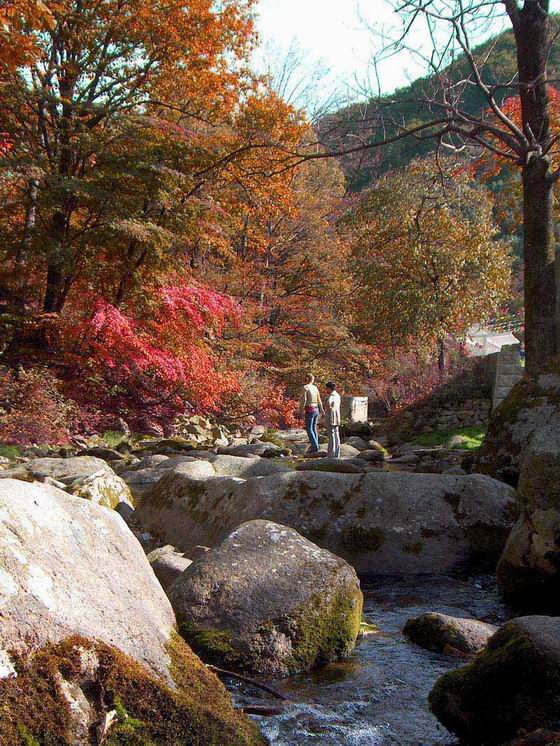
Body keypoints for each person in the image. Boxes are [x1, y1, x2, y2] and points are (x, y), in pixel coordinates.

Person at [301, 374, 324, 453]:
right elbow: (319, 399)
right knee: (314, 428)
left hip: (309, 409)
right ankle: (316, 444)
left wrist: (301, 410)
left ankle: (314, 446)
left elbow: (304, 400)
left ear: (306, 379)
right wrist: (322, 409)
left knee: (309, 428)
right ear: (312, 380)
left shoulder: (305, 387)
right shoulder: (315, 388)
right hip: (316, 409)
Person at [325, 381, 341, 459]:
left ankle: (331, 454)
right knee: (336, 434)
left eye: (327, 389)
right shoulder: (338, 395)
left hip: (331, 416)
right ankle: (337, 454)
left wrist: (329, 408)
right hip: (337, 416)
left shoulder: (332, 395)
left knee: (331, 435)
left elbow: (329, 402)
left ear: (329, 388)